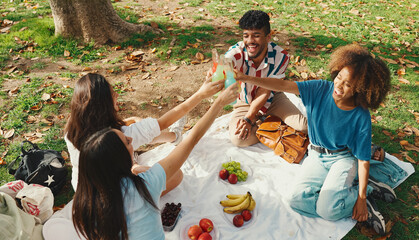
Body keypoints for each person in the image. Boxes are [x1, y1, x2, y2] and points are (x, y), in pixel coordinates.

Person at [234, 44, 396, 235]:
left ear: (360, 89)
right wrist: (246, 78)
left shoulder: (361, 116)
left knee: (327, 210)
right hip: (316, 155)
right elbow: (283, 86)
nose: (339, 86)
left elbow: (362, 159)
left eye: (348, 84)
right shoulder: (319, 88)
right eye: (339, 78)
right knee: (295, 201)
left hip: (342, 159)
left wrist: (360, 198)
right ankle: (349, 195)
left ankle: (365, 196)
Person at [72, 84, 238, 240]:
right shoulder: (145, 185)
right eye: (128, 142)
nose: (131, 139)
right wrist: (219, 103)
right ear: (120, 160)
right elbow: (192, 138)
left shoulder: (84, 203)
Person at [65, 73, 225, 194]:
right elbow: (164, 123)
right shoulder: (117, 138)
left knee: (135, 122)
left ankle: (173, 137)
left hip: (82, 189)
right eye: (114, 95)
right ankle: (173, 137)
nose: (117, 96)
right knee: (176, 176)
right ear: (105, 105)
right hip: (115, 195)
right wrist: (201, 95)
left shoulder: (72, 128)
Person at [222, 10, 307, 147]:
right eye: (246, 36)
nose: (250, 41)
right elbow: (224, 64)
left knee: (303, 127)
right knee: (238, 139)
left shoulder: (281, 56)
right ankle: (269, 124)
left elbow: (265, 91)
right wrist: (219, 71)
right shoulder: (236, 53)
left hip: (272, 98)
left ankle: (264, 122)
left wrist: (249, 119)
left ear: (268, 37)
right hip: (245, 101)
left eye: (256, 36)